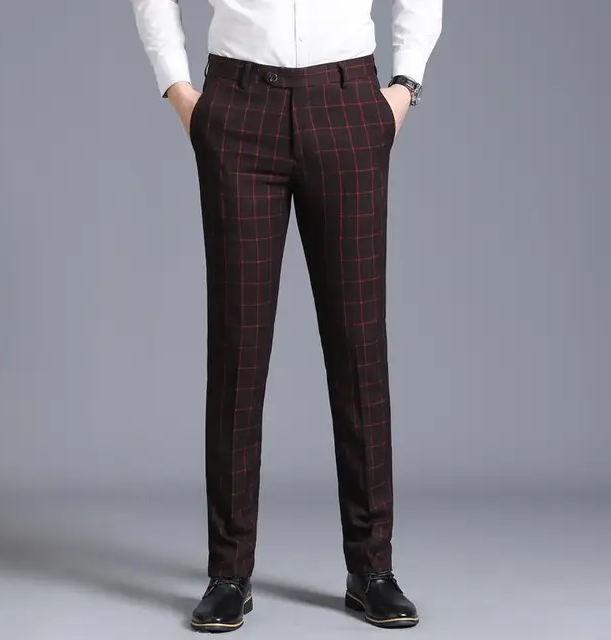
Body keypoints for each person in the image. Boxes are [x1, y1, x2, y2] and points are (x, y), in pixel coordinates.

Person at [128, 0, 442, 632]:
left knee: (359, 348)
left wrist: (405, 84)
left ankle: (372, 569)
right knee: (237, 351)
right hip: (239, 106)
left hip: (347, 103)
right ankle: (228, 573)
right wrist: (178, 88)